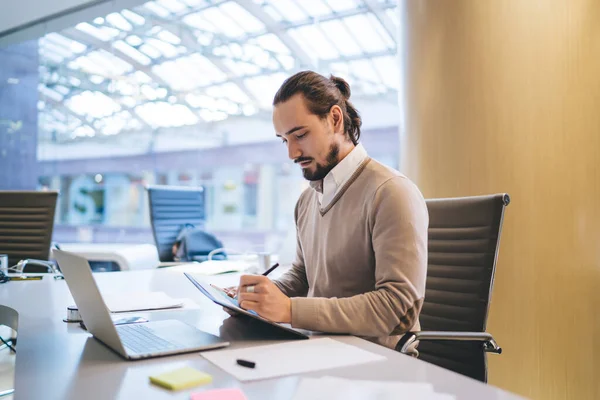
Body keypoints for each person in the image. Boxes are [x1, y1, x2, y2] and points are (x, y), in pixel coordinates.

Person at [229, 71, 429, 349]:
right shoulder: (308, 201)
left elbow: (397, 308)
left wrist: (290, 310)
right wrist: (260, 297)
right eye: (284, 140)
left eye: (300, 135)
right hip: (317, 349)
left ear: (335, 119)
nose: (292, 153)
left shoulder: (391, 192)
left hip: (376, 366)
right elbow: (303, 276)